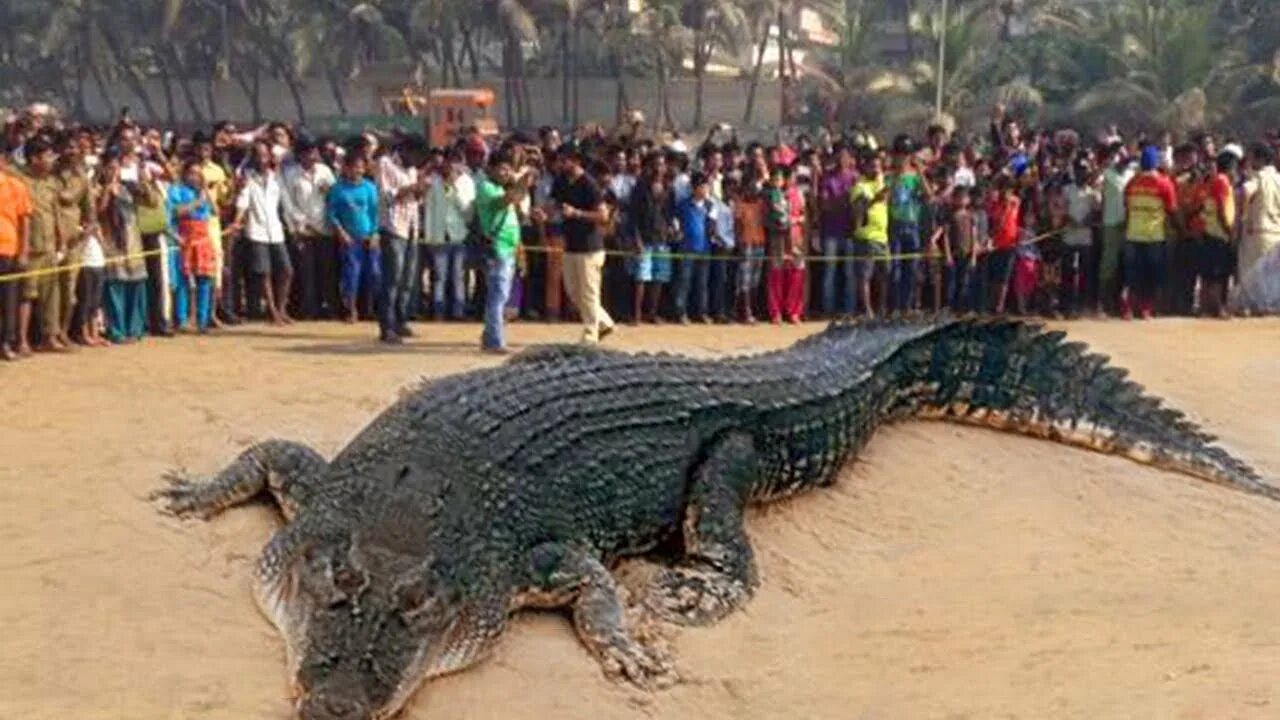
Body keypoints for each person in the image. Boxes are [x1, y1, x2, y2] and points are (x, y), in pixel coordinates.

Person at [554, 147, 615, 343]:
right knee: (573, 291)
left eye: (565, 160)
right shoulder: (561, 180)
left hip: (590, 248)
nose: (561, 164)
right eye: (560, 160)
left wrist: (577, 213)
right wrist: (543, 213)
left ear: (576, 161)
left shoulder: (589, 184)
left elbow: (603, 216)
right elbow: (554, 204)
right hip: (570, 244)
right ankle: (604, 321)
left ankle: (590, 335)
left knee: (589, 292)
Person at [229, 141, 292, 324]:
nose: (262, 159)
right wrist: (237, 222)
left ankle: (281, 309)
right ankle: (272, 311)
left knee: (287, 270)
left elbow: (284, 204)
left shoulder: (276, 177)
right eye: (258, 155)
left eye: (265, 155)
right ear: (253, 157)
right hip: (256, 231)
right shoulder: (248, 178)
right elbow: (243, 202)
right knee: (264, 273)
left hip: (276, 229)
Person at [96, 149, 154, 344]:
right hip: (112, 242)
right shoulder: (96, 187)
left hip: (132, 241)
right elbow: (99, 211)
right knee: (116, 287)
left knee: (136, 285)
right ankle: (117, 330)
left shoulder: (128, 188)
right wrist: (108, 188)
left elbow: (152, 202)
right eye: (110, 168)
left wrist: (143, 180)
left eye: (116, 167)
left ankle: (135, 328)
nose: (114, 171)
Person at [374, 137, 425, 344]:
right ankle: (386, 326)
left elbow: (414, 200)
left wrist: (420, 191)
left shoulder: (412, 170)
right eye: (416, 155)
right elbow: (387, 197)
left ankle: (400, 320)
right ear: (405, 150)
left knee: (407, 280)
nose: (418, 160)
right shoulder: (385, 164)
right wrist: (413, 188)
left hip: (411, 227)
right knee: (392, 280)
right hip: (393, 228)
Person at [20, 137, 67, 353]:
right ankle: (21, 340)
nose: (51, 160)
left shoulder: (52, 182)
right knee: (26, 295)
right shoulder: (19, 179)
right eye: (47, 156)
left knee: (52, 295)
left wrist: (62, 242)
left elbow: (57, 214)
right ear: (34, 158)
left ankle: (50, 337)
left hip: (50, 247)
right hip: (29, 248)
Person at [476, 152, 527, 354]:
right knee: (498, 295)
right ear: (491, 169)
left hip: (509, 247)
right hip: (497, 248)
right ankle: (494, 340)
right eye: (502, 169)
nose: (506, 173)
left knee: (501, 295)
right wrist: (522, 179)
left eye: (508, 169)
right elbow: (507, 200)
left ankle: (490, 335)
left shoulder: (499, 187)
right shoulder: (487, 188)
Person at [280, 138, 336, 320]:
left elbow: (334, 197)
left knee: (326, 270)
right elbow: (288, 204)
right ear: (299, 155)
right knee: (306, 272)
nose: (312, 157)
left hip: (325, 228)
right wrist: (298, 226)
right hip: (303, 230)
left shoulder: (325, 171)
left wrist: (329, 192)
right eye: (308, 153)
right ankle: (308, 309)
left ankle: (327, 308)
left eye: (314, 153)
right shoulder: (290, 174)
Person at [1122, 145, 1178, 320]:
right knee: (1151, 275)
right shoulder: (1164, 183)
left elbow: (1126, 205)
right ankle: (1145, 309)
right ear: (1156, 163)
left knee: (1133, 275)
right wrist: (1178, 229)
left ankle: (1129, 309)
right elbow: (1172, 209)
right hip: (1154, 236)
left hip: (1133, 234)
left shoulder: (1132, 182)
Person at [326, 153, 380, 324]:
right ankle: (351, 310)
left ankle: (371, 309)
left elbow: (375, 213)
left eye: (361, 167)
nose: (358, 170)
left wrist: (375, 233)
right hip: (349, 239)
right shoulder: (338, 189)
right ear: (346, 168)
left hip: (369, 237)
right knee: (351, 275)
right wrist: (341, 233)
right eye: (354, 167)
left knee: (374, 273)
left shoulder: (370, 187)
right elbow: (331, 214)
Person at [421, 148, 475, 321]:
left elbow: (468, 212)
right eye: (448, 163)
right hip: (438, 236)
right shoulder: (433, 182)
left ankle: (458, 311)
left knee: (458, 276)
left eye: (455, 163)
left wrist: (454, 189)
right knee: (439, 276)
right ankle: (438, 311)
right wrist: (429, 236)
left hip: (458, 235)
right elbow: (428, 211)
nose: (450, 167)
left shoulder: (466, 182)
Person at [167, 160, 217, 332]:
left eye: (198, 174)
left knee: (204, 280)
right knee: (183, 280)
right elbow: (175, 211)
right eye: (192, 173)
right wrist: (197, 202)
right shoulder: (177, 190)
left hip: (203, 237)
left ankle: (202, 321)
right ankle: (181, 319)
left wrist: (205, 193)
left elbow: (214, 212)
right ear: (185, 174)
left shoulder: (202, 192)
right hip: (184, 236)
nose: (195, 177)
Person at [627, 154, 673, 324]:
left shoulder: (669, 188)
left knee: (659, 277)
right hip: (644, 238)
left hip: (661, 238)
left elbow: (670, 214)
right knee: (641, 277)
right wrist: (636, 239)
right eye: (655, 165)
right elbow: (633, 216)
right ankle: (637, 314)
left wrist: (671, 229)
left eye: (661, 165)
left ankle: (652, 313)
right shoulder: (640, 188)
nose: (658, 169)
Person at [818, 145, 858, 317]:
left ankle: (849, 309)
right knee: (830, 270)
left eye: (845, 156)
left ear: (850, 159)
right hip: (831, 231)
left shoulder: (856, 178)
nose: (842, 160)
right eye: (839, 156)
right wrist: (844, 203)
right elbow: (825, 205)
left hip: (850, 231)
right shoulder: (827, 179)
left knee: (850, 272)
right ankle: (829, 309)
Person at [0, 149, 32, 360]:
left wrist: (24, 251)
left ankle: (6, 343)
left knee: (9, 299)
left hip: (8, 249)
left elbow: (25, 219)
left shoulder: (15, 186)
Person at [1197, 151, 1237, 317]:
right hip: (1218, 233)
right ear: (1230, 166)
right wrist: (1228, 230)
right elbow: (1221, 208)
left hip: (1211, 231)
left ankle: (1204, 308)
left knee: (1209, 273)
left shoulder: (1215, 180)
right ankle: (1217, 308)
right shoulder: (1221, 181)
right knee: (1217, 274)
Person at [851, 152, 890, 318]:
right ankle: (868, 310)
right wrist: (876, 198)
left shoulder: (881, 182)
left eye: (878, 166)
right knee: (865, 276)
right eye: (873, 166)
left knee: (884, 275)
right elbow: (859, 208)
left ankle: (881, 309)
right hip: (866, 236)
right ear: (866, 167)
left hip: (883, 237)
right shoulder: (860, 186)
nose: (876, 169)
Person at [673, 171, 714, 324]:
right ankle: (681, 312)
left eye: (707, 187)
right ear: (695, 188)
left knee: (702, 283)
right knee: (684, 281)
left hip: (705, 248)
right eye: (703, 187)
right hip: (686, 248)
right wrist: (676, 231)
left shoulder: (710, 206)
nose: (706, 190)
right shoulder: (684, 204)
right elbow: (675, 221)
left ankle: (702, 312)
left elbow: (712, 226)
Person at [1061, 162, 1101, 318]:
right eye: (1080, 171)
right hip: (1069, 237)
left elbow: (1097, 212)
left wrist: (1086, 220)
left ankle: (1082, 306)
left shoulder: (1092, 193)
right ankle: (1067, 306)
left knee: (1085, 274)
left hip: (1086, 238)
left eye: (1085, 172)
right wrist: (1071, 220)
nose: (1083, 174)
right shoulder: (1067, 190)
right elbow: (1063, 208)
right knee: (1068, 273)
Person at [1099, 144, 1135, 314]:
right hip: (1111, 223)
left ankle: (1121, 304)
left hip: (1129, 224)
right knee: (1109, 264)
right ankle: (1102, 303)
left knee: (1127, 264)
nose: (1123, 157)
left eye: (1124, 153)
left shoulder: (1132, 174)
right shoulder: (1107, 174)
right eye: (1119, 154)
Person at [1240, 142, 1280, 289]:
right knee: (1271, 278)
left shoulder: (1260, 176)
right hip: (1276, 234)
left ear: (1261, 159)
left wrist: (1244, 215)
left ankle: (1253, 308)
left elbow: (1245, 191)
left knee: (1252, 276)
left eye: (1251, 158)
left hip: (1257, 233)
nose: (1249, 162)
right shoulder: (1278, 178)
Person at [732, 177, 766, 323]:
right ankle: (746, 311)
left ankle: (751, 308)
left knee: (755, 280)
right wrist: (740, 243)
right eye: (751, 189)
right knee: (744, 280)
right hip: (747, 243)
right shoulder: (740, 205)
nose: (753, 192)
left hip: (759, 243)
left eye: (755, 189)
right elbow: (738, 226)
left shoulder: (760, 204)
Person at [986, 174, 1021, 314]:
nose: (1006, 192)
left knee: (1004, 277)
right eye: (1004, 189)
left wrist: (1007, 204)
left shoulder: (1015, 202)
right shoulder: (994, 204)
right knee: (994, 275)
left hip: (1010, 243)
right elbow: (995, 223)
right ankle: (991, 304)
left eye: (1009, 189)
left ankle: (999, 306)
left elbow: (1013, 216)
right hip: (996, 244)